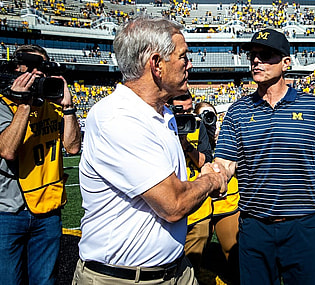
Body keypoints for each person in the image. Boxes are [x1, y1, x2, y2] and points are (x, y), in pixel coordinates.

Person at [72, 16, 227, 285]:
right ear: (156, 64)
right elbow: (173, 204)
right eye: (183, 56)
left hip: (175, 270)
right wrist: (211, 179)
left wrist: (202, 168)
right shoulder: (118, 118)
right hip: (122, 279)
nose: (189, 65)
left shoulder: (162, 112)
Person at [214, 28, 315, 285]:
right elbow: (225, 163)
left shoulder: (314, 108)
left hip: (305, 227)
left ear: (286, 63)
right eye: (253, 55)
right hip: (255, 227)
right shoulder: (237, 112)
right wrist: (213, 175)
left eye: (266, 55)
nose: (256, 60)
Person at [0, 44, 81, 285]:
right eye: (31, 67)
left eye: (42, 68)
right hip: (7, 210)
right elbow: (8, 150)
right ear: (16, 69)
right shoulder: (3, 104)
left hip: (48, 210)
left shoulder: (52, 105)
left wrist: (68, 108)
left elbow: (73, 147)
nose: (38, 74)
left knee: (45, 281)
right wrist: (25, 103)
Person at [167, 92, 213, 278]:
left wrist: (186, 145)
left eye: (189, 110)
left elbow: (205, 161)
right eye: (180, 111)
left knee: (192, 269)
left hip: (198, 209)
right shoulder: (160, 126)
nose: (185, 115)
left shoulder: (197, 126)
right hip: (169, 203)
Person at [195, 101, 240, 285]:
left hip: (226, 201)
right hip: (200, 204)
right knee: (197, 255)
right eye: (203, 116)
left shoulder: (226, 135)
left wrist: (220, 141)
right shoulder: (190, 133)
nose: (208, 120)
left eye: (211, 115)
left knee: (233, 253)